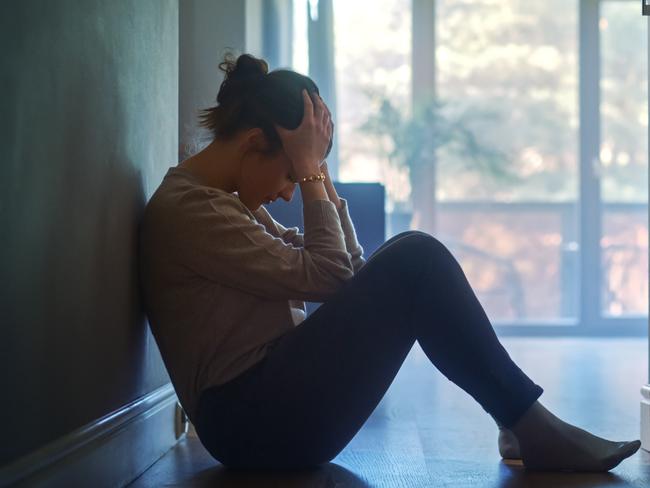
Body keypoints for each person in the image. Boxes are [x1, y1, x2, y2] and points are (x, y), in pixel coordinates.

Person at [138, 53, 641, 473]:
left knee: (413, 256)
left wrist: (319, 176)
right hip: (252, 426)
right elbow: (331, 274)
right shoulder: (193, 210)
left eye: (300, 177)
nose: (289, 192)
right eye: (292, 173)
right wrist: (312, 174)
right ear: (252, 144)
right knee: (417, 256)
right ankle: (528, 425)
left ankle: (521, 424)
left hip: (267, 410)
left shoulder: (223, 204)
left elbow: (347, 277)